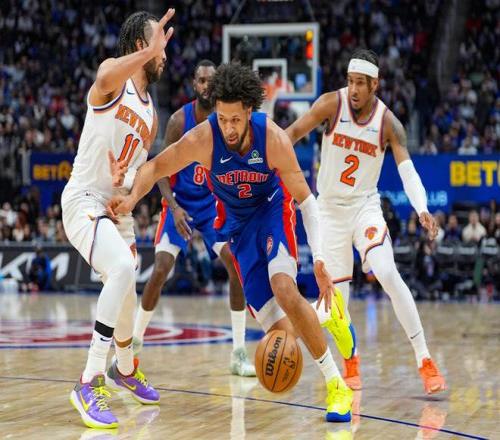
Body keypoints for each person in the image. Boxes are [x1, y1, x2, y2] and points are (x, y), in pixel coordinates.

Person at [109, 63, 356, 423]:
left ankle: (337, 386)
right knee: (282, 333)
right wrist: (131, 198)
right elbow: (156, 167)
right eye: (222, 119)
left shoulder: (272, 139)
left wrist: (319, 259)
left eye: (236, 120)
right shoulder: (203, 138)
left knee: (284, 288)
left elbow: (307, 201)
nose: (228, 128)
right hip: (237, 228)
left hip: (272, 209)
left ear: (249, 111)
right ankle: (328, 315)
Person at [285, 48, 446, 395]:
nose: (354, 89)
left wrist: (421, 207)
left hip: (364, 207)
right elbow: (292, 133)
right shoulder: (331, 104)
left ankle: (424, 358)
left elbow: (407, 169)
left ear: (375, 84)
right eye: (351, 81)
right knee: (335, 306)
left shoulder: (388, 123)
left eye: (361, 83)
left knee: (386, 271)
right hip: (329, 211)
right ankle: (351, 358)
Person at [61, 9, 175, 429]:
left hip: (112, 206)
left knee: (126, 287)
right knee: (124, 268)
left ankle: (123, 368)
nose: (165, 54)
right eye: (158, 45)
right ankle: (88, 380)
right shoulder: (114, 80)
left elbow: (138, 172)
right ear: (140, 46)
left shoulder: (151, 115)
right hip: (82, 199)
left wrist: (127, 191)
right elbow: (104, 74)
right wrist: (147, 51)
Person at [132, 60, 255, 376]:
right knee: (161, 268)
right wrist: (173, 207)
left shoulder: (225, 122)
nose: (206, 86)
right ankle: (134, 342)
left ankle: (239, 352)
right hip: (181, 204)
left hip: (212, 206)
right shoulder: (178, 121)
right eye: (201, 80)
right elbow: (159, 170)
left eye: (210, 81)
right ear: (194, 84)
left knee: (235, 266)